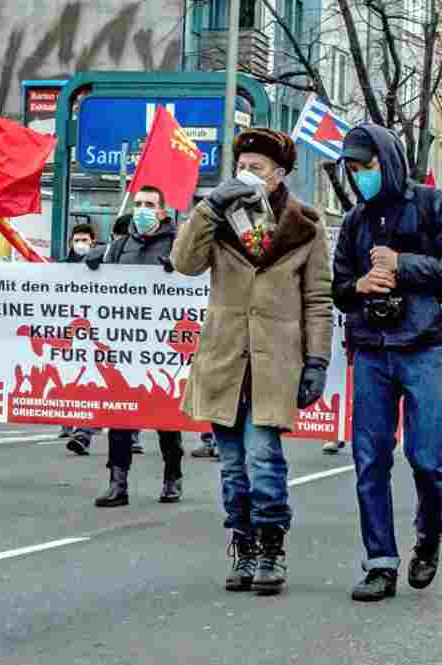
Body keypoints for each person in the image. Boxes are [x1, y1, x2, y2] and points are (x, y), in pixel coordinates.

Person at [171, 128, 333, 596]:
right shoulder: (219, 218)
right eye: (241, 166)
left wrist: (317, 359)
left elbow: (318, 299)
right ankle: (241, 544)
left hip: (275, 361)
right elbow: (184, 263)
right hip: (225, 358)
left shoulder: (306, 224)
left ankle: (269, 547)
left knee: (264, 459)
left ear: (279, 174)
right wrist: (209, 205)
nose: (246, 174)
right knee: (232, 465)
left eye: (257, 168)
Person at [332, 124, 442, 602]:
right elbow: (337, 287)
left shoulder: (432, 206)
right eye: (354, 171)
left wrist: (402, 263)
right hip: (372, 352)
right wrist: (357, 288)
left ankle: (429, 538)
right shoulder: (355, 221)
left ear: (389, 161)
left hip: (426, 347)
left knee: (429, 460)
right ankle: (380, 562)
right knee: (369, 460)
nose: (361, 178)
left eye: (368, 167)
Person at [86, 186, 183, 506]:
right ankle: (118, 482)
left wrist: (178, 267)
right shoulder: (120, 244)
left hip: (161, 346)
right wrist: (94, 258)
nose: (142, 209)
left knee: (165, 417)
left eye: (149, 204)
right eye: (138, 203)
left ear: (162, 212)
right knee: (120, 414)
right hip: (124, 345)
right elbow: (97, 272)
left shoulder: (176, 244)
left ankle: (172, 476)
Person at [59, 223, 103, 455]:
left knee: (98, 385)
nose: (80, 244)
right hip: (72, 337)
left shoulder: (103, 264)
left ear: (93, 242)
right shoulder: (64, 268)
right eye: (77, 240)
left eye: (84, 240)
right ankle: (75, 425)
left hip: (96, 336)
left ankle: (84, 432)